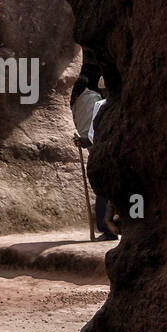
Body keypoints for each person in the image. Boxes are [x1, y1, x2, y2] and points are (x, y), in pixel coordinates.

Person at [71, 73, 116, 241]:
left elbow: (92, 135)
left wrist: (83, 141)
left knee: (103, 191)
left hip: (103, 154)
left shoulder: (99, 104)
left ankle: (107, 230)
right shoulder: (122, 104)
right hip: (118, 153)